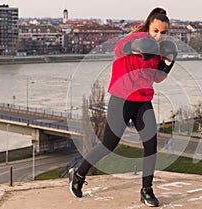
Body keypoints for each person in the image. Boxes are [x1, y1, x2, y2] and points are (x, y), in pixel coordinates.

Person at [69, 7, 178, 207]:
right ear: (149, 27)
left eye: (163, 33)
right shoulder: (135, 37)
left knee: (151, 146)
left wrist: (168, 63)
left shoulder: (159, 50)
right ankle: (78, 174)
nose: (159, 36)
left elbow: (156, 78)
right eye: (155, 31)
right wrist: (138, 45)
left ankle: (147, 190)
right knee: (109, 144)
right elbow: (118, 49)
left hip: (143, 100)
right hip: (122, 99)